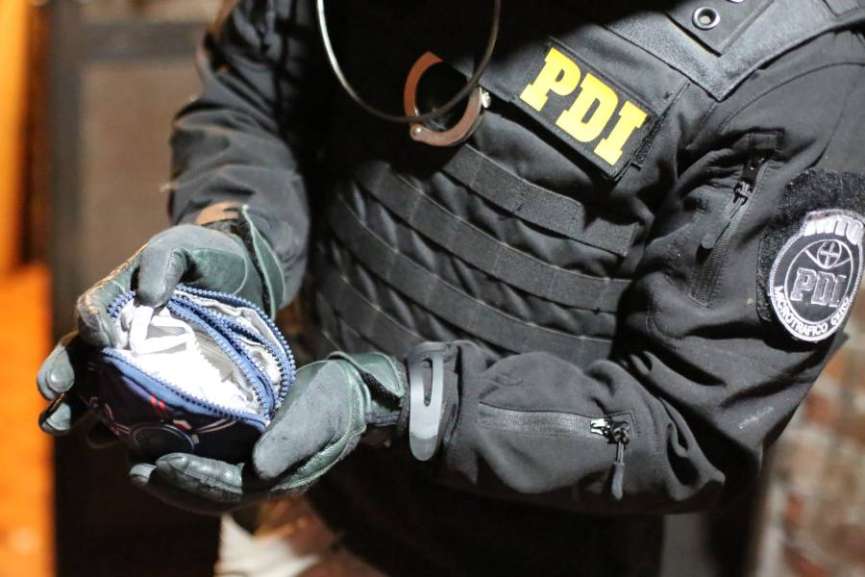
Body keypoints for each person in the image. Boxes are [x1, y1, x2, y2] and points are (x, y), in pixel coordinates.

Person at [37, 0, 865, 575]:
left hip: (520, 558)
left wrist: (389, 401)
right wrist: (241, 240)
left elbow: (688, 425)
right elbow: (252, 92)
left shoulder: (796, 71)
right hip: (296, 502)